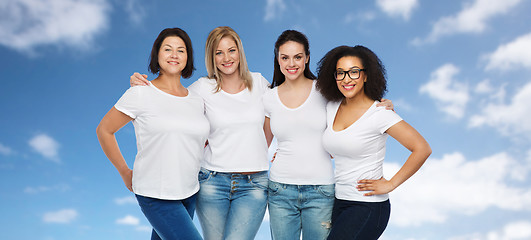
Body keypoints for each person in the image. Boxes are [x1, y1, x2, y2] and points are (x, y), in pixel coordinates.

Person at [130, 26, 270, 240]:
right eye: (218, 52)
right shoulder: (201, 89)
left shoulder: (259, 83)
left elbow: (281, 114)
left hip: (254, 184)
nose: (226, 58)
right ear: (211, 57)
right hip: (212, 182)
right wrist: (142, 87)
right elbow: (170, 99)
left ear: (240, 52)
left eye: (231, 50)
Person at [264, 30, 395, 240]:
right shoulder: (268, 97)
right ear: (277, 60)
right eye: (284, 57)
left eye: (298, 56)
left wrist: (381, 103)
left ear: (307, 58)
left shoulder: (325, 91)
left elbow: (355, 105)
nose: (292, 63)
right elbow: (261, 142)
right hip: (280, 190)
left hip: (321, 191)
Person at [96, 28, 209, 240]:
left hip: (189, 191)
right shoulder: (140, 93)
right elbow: (104, 130)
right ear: (157, 54)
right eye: (168, 49)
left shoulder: (196, 99)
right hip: (155, 193)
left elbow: (199, 138)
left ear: (188, 57)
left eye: (181, 50)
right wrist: (123, 171)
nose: (174, 55)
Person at [316, 45, 431, 240]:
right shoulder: (332, 107)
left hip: (368, 206)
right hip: (339, 201)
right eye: (340, 73)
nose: (346, 79)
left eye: (354, 72)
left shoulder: (380, 114)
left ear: (366, 76)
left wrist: (391, 184)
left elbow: (422, 148)